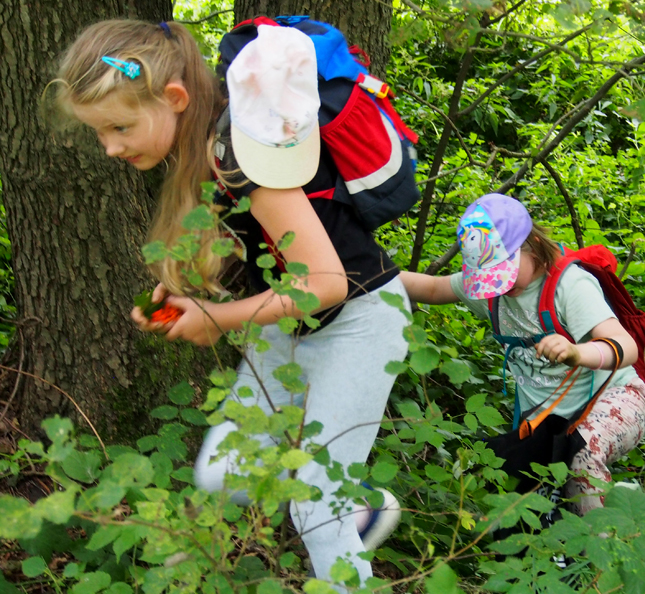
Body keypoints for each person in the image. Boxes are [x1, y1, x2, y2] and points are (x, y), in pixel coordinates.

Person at [53, 20, 409, 584]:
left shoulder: (245, 149)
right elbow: (259, 245)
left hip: (359, 321)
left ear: (174, 99)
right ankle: (356, 506)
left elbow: (326, 282)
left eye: (119, 127)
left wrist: (218, 318)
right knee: (223, 473)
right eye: (101, 133)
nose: (111, 146)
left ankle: (339, 509)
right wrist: (193, 291)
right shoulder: (207, 142)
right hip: (291, 328)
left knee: (315, 503)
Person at [400, 193, 645, 514]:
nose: (500, 285)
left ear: (532, 243)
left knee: (583, 454)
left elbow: (626, 347)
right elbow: (434, 289)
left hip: (617, 395)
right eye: (489, 276)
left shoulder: (570, 287)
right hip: (554, 420)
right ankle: (621, 503)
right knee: (533, 491)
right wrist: (365, 279)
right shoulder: (493, 292)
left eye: (503, 271)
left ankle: (605, 553)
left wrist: (578, 353)